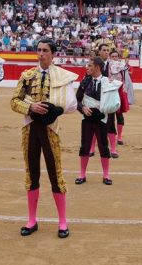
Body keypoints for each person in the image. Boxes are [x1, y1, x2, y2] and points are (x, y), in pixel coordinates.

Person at [10, 37, 79, 238]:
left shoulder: (63, 77)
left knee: (55, 174)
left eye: (45, 50)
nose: (41, 54)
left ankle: (63, 221)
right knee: (32, 173)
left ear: (53, 53)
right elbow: (14, 101)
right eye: (39, 50)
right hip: (30, 128)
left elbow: (72, 106)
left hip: (50, 129)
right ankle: (32, 220)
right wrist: (30, 106)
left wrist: (56, 109)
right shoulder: (27, 75)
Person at [75, 56, 119, 185]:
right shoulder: (85, 82)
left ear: (97, 68)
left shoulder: (108, 82)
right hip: (87, 119)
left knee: (103, 146)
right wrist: (82, 108)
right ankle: (82, 174)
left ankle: (106, 175)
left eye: (90, 65)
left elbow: (114, 102)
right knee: (85, 146)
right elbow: (76, 100)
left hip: (102, 119)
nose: (87, 67)